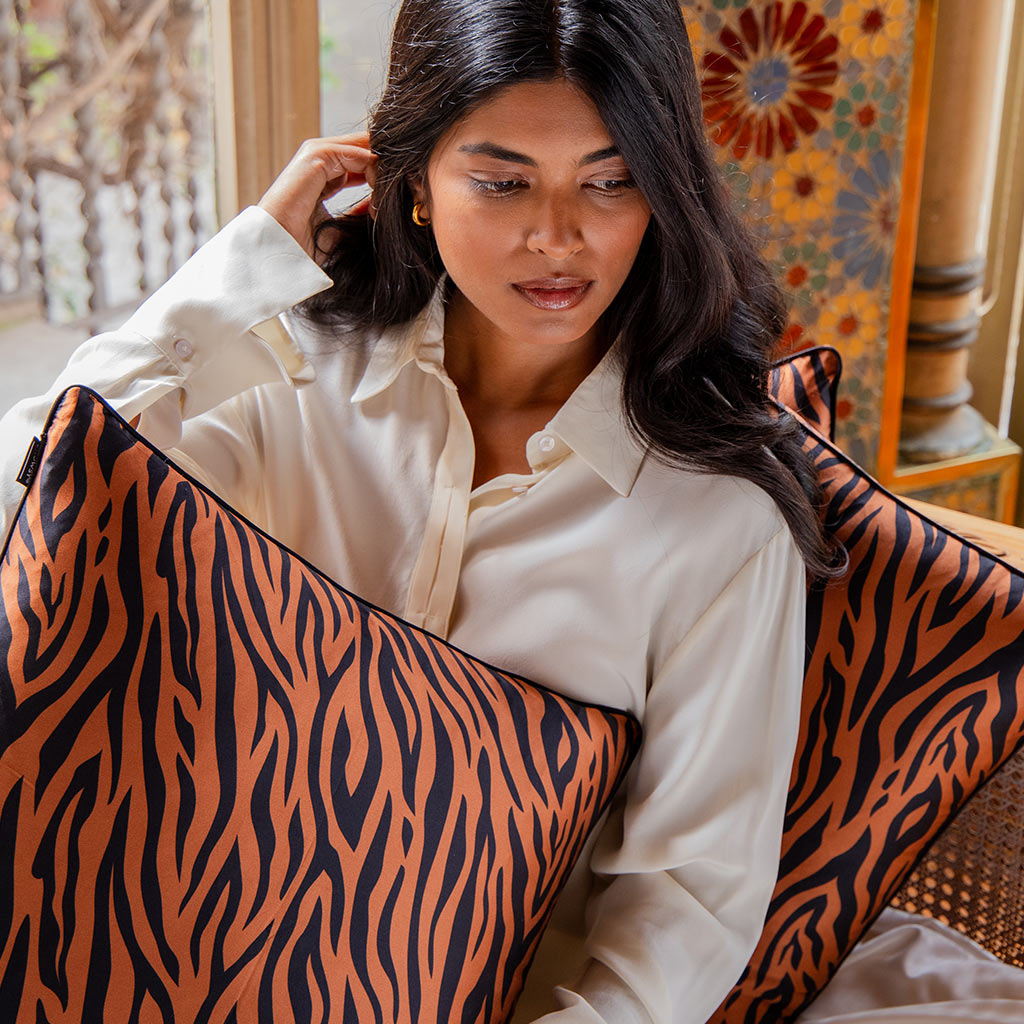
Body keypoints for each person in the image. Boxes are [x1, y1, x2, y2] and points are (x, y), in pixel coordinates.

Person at [0, 0, 833, 1020]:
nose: (557, 237)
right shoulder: (286, 380)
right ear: (414, 187)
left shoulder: (717, 523)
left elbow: (687, 910)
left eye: (611, 181)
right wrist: (240, 269)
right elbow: (30, 500)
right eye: (500, 181)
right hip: (180, 956)